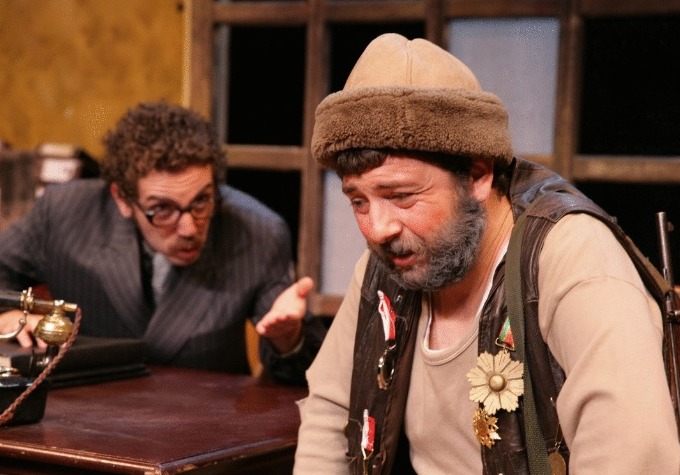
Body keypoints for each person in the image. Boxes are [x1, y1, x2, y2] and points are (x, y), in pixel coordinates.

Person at [294, 33, 680, 473]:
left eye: (401, 196)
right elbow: (330, 409)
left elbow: (632, 455)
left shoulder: (571, 257)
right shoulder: (389, 266)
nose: (378, 229)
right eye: (358, 201)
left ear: (478, 175)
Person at [0, 101, 325, 385]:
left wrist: (289, 338)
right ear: (122, 199)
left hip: (208, 420)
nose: (188, 228)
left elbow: (304, 375)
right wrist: (8, 315)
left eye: (201, 201)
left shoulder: (257, 232)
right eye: (163, 210)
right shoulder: (64, 214)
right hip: (88, 410)